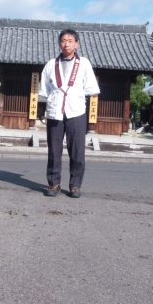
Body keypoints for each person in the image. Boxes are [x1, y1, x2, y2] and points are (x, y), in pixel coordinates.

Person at [39, 29, 100, 198]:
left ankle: (75, 185)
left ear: (76, 44)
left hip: (76, 111)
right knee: (54, 150)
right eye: (63, 40)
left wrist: (73, 93)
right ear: (59, 44)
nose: (67, 43)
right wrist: (43, 109)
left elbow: (91, 89)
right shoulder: (51, 64)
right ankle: (54, 183)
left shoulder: (84, 63)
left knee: (78, 151)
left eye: (70, 40)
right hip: (55, 112)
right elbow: (44, 90)